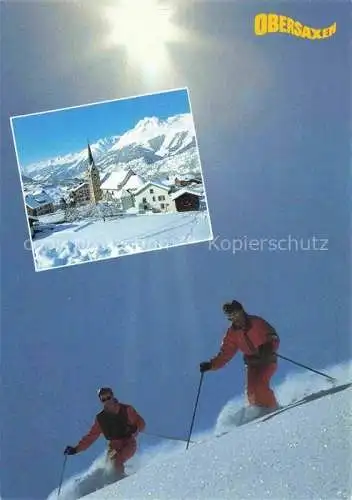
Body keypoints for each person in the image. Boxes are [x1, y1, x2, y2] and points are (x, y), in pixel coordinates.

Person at [200, 300, 280, 410]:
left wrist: (268, 347)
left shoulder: (256, 322)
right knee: (251, 391)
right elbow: (225, 353)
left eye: (236, 314)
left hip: (267, 359)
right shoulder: (232, 334)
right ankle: (258, 410)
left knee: (260, 386)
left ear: (242, 311)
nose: (235, 318)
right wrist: (211, 364)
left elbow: (272, 336)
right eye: (231, 316)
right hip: (252, 363)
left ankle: (272, 408)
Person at [64, 387, 146, 478]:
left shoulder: (126, 410)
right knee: (109, 465)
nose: (107, 401)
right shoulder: (101, 419)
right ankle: (109, 485)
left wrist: (136, 428)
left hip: (128, 442)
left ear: (112, 396)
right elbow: (91, 437)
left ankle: (122, 482)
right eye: (103, 399)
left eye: (108, 397)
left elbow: (141, 423)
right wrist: (75, 449)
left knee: (117, 461)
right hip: (113, 445)